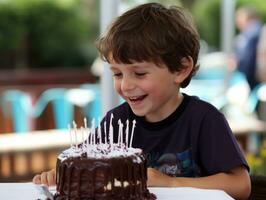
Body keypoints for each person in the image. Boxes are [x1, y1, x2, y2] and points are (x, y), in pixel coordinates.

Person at [33, 3, 251, 199]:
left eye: (139, 73)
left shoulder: (204, 120)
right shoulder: (115, 123)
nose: (125, 85)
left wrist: (171, 183)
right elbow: (86, 167)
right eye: (117, 74)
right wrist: (62, 176)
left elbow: (240, 185)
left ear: (181, 69)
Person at [234, 5, 262, 90]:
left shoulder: (251, 32)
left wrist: (237, 63)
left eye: (239, 17)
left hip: (252, 77)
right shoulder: (256, 29)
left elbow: (246, 57)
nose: (237, 20)